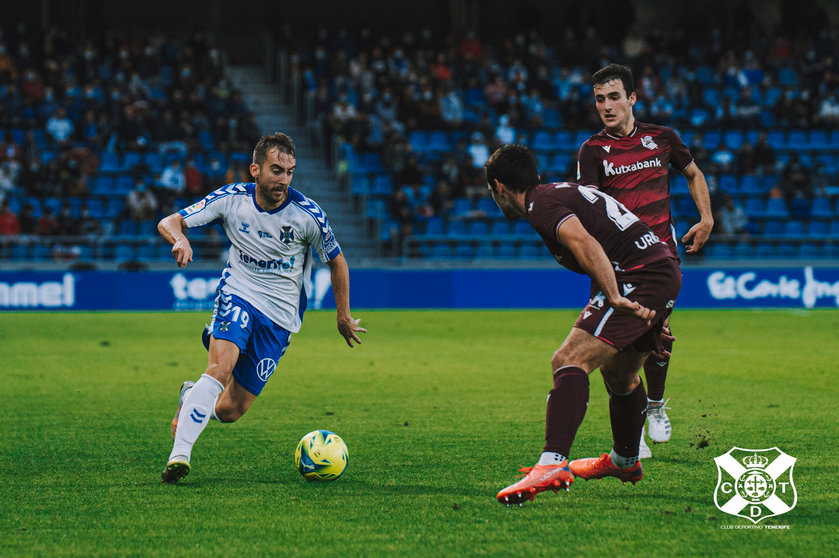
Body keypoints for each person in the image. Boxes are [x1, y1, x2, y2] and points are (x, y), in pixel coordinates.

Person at [158, 133, 366, 484]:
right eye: (276, 170)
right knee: (221, 367)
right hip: (238, 294)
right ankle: (179, 456)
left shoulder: (307, 216)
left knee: (228, 410)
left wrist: (342, 315)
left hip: (280, 318)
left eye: (289, 171)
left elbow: (337, 262)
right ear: (255, 170)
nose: (283, 179)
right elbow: (170, 220)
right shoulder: (231, 200)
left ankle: (191, 394)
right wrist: (179, 238)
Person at [486, 145, 681, 506]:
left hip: (637, 278)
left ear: (499, 187)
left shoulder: (539, 205)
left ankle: (551, 463)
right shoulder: (557, 193)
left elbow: (587, 244)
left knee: (568, 360)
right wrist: (657, 307)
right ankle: (625, 462)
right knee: (620, 374)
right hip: (657, 271)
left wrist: (615, 296)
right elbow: (614, 240)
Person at [576, 64, 713, 456]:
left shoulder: (663, 138)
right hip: (615, 260)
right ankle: (632, 427)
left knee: (657, 334)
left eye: (614, 96)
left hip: (659, 258)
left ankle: (654, 405)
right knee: (613, 345)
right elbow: (590, 208)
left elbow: (693, 173)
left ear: (632, 98)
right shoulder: (592, 150)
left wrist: (706, 218)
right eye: (600, 99)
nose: (607, 105)